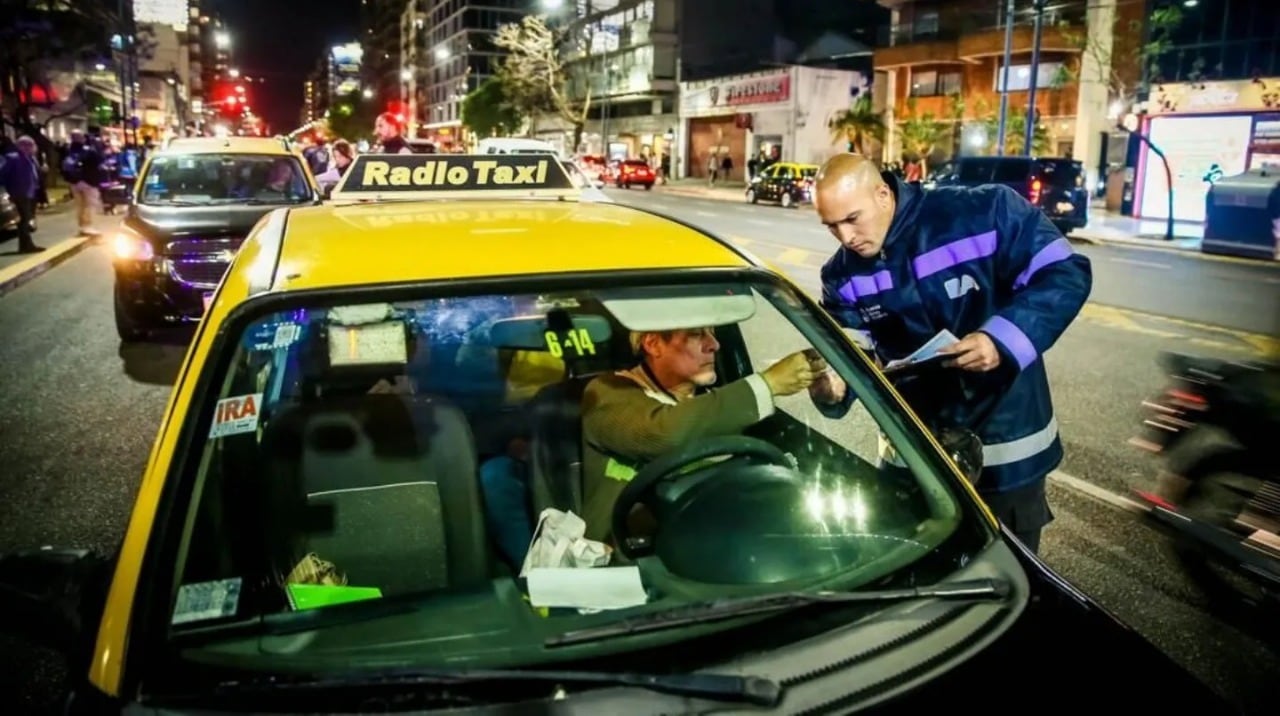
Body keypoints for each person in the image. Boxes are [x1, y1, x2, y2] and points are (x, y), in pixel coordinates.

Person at [811, 153, 1092, 554]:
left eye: (852, 219)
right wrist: (833, 386)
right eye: (831, 226)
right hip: (914, 455)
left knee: (1008, 581)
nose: (845, 237)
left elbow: (1065, 272)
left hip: (1005, 448)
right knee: (917, 580)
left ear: (883, 194)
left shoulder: (984, 212)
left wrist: (1002, 340)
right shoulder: (841, 276)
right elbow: (853, 357)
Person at [579, 327, 836, 543]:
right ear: (654, 344)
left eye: (712, 333)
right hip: (631, 560)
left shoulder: (712, 405)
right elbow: (663, 433)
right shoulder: (606, 392)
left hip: (716, 546)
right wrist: (767, 384)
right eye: (695, 334)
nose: (714, 344)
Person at [0, 136, 45, 253]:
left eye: (32, 145)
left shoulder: (31, 158)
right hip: (19, 192)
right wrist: (7, 189)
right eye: (29, 145)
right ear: (21, 146)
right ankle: (26, 245)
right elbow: (2, 174)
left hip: (30, 192)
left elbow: (35, 172)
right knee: (24, 219)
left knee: (27, 218)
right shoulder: (12, 158)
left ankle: (26, 245)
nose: (32, 148)